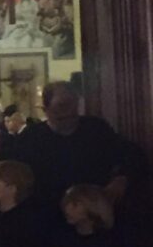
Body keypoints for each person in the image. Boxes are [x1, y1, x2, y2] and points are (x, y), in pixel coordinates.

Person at [13, 81, 130, 214]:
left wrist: (121, 178)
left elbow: (129, 155)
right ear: (46, 109)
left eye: (72, 103)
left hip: (93, 215)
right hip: (47, 215)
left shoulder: (96, 129)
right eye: (62, 105)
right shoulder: (29, 139)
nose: (69, 111)